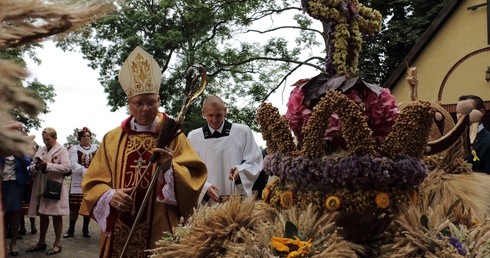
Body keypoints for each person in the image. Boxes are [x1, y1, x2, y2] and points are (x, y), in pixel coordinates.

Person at [79, 46, 207, 258]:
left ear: (159, 101)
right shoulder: (112, 139)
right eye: (139, 103)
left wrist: (170, 168)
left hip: (159, 225)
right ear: (129, 104)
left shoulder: (173, 136)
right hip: (120, 226)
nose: (145, 108)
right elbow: (93, 182)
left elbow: (194, 177)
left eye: (151, 102)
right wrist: (110, 195)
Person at [187, 95, 263, 204]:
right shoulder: (193, 137)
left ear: (225, 111)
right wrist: (205, 187)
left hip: (236, 198)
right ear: (203, 113)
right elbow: (189, 170)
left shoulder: (243, 132)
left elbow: (255, 162)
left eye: (218, 115)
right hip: (207, 201)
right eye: (210, 115)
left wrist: (240, 171)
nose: (214, 120)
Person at [26, 127, 71, 255]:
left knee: (56, 215)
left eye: (48, 139)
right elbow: (31, 166)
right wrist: (36, 166)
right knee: (43, 214)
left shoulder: (61, 150)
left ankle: (57, 244)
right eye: (44, 139)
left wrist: (48, 165)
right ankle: (41, 242)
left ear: (55, 138)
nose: (46, 142)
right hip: (41, 185)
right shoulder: (42, 149)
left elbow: (67, 167)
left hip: (54, 186)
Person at [63, 127, 98, 238]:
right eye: (84, 136)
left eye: (88, 136)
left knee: (87, 205)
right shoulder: (74, 149)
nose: (86, 138)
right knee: (74, 206)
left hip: (90, 181)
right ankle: (71, 229)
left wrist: (92, 172)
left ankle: (85, 229)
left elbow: (99, 163)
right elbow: (72, 164)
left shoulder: (96, 148)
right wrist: (85, 171)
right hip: (77, 182)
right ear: (80, 138)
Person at [1, 153, 32, 256]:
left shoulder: (19, 148)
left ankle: (13, 243)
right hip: (2, 183)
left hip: (15, 184)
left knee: (14, 212)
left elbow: (27, 162)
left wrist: (16, 152)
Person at [457, 95, 490, 173]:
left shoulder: (488, 140)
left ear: (481, 112)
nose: (460, 115)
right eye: (458, 112)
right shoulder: (453, 140)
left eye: (466, 110)